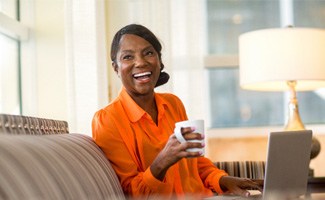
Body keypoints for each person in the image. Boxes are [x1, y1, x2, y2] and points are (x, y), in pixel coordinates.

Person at [92, 24, 262, 199]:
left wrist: (223, 179)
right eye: (128, 57)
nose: (141, 62)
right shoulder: (108, 119)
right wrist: (163, 161)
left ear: (159, 61)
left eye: (149, 53)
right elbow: (132, 193)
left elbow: (195, 163)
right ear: (116, 68)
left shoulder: (173, 104)